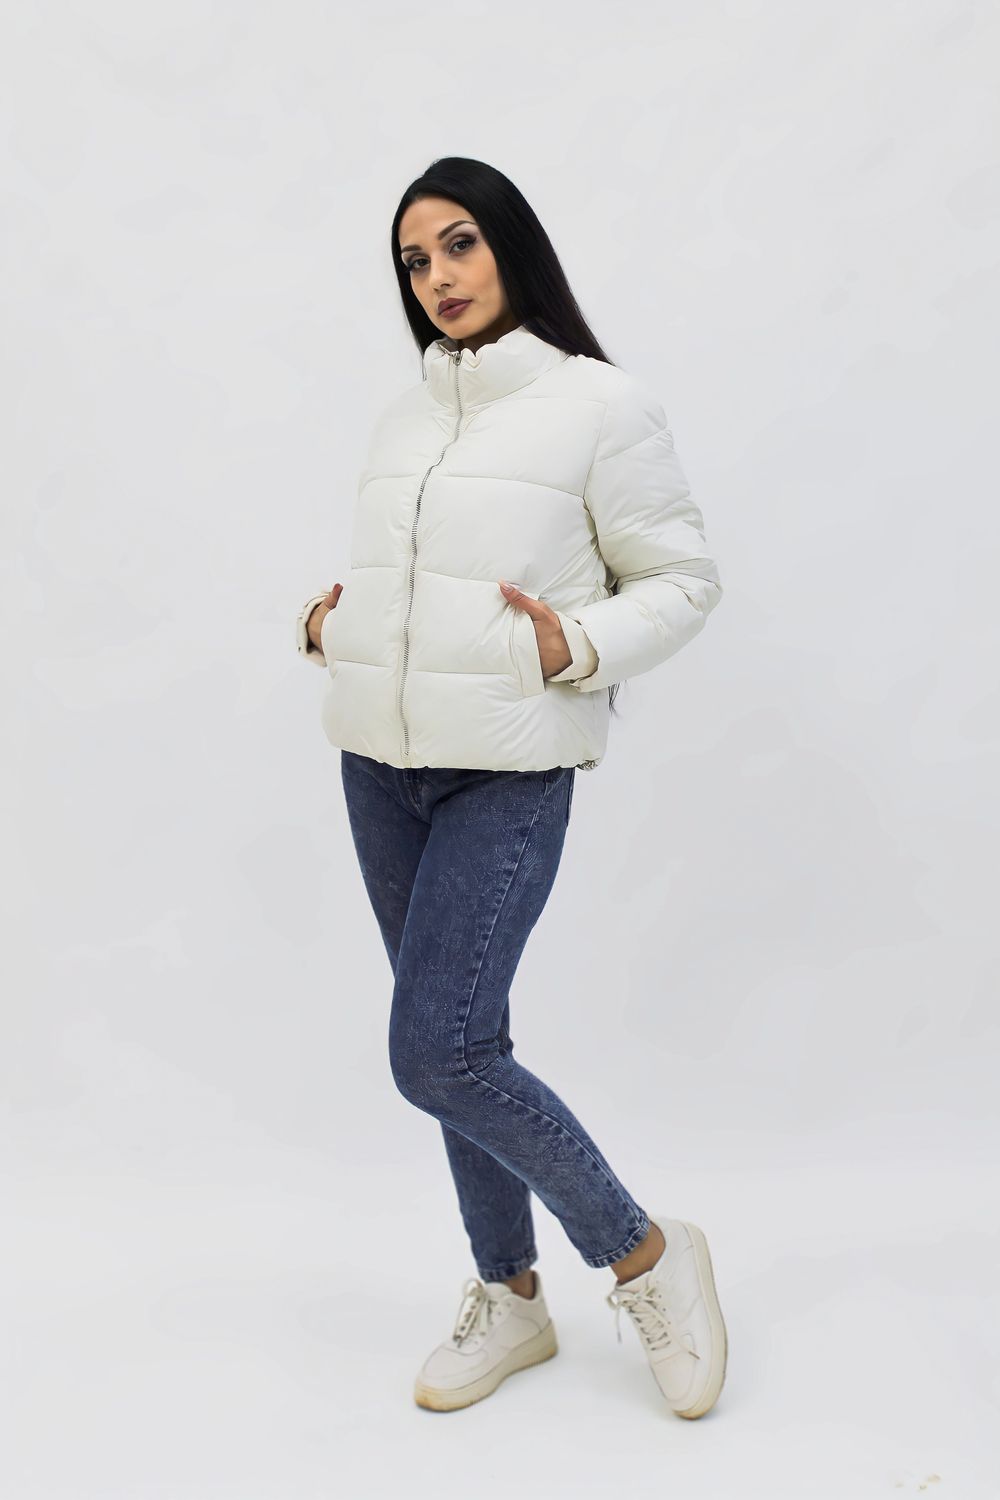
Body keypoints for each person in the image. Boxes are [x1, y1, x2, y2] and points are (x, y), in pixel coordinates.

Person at [295, 156, 727, 1418]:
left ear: (509, 247)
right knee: (459, 1047)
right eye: (413, 260)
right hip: (378, 767)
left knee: (437, 1052)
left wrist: (571, 646)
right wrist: (331, 625)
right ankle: (511, 1295)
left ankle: (646, 1257)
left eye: (458, 244)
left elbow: (683, 581)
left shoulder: (600, 404)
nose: (436, 277)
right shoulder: (405, 417)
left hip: (508, 768)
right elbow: (407, 587)